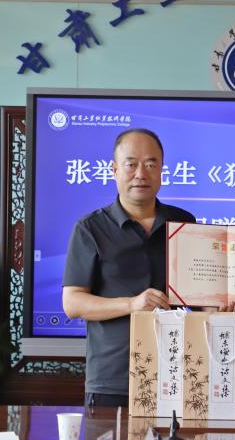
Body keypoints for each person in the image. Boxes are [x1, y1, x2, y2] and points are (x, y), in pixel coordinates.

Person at [62, 129, 195, 408]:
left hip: (176, 373)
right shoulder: (90, 229)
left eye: (151, 164)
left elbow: (196, 291)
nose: (141, 174)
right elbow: (72, 303)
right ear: (114, 170)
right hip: (113, 379)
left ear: (162, 170)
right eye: (131, 164)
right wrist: (133, 304)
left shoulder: (184, 223)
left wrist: (221, 304)